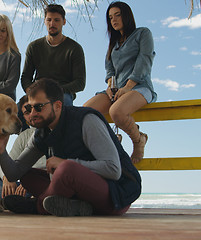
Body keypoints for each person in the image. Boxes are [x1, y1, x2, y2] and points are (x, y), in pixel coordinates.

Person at [0, 79, 141, 217]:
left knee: (66, 168)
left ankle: (37, 206)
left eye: (39, 107)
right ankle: (78, 207)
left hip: (115, 196)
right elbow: (14, 173)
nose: (33, 114)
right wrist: (1, 150)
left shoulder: (86, 121)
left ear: (57, 106)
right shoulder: (42, 133)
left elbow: (114, 170)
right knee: (27, 175)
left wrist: (64, 163)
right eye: (29, 108)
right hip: (79, 193)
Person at [83, 1, 156, 163]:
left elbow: (144, 61)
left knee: (116, 112)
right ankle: (112, 140)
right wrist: (110, 87)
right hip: (116, 90)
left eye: (117, 15)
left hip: (140, 87)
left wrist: (128, 87)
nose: (113, 20)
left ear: (127, 16)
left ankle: (139, 140)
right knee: (85, 112)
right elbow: (110, 70)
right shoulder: (113, 44)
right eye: (110, 17)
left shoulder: (143, 33)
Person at [20, 4, 86, 106]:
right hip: (37, 92)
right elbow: (25, 77)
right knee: (18, 111)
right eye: (49, 20)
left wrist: (56, 90)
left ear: (64, 22)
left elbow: (80, 83)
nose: (52, 23)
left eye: (56, 20)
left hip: (62, 94)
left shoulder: (74, 48)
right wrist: (30, 91)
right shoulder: (34, 46)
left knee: (64, 106)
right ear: (44, 21)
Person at [0, 95, 47, 198]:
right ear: (23, 117)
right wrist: (7, 178)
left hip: (44, 180)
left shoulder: (52, 129)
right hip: (22, 183)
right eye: (27, 112)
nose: (32, 114)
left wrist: (30, 182)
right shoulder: (24, 136)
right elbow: (7, 164)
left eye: (35, 108)